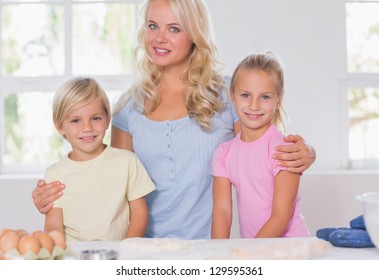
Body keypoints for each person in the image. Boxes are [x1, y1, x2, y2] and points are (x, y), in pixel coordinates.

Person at [32, 0, 316, 239]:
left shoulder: (229, 95)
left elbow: (263, 155)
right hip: (144, 251)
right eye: (153, 26)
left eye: (174, 29)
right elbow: (106, 176)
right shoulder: (127, 107)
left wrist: (307, 152)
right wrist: (56, 196)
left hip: (209, 249)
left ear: (194, 33)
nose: (159, 38)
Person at [211, 52, 310, 239]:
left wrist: (250, 255)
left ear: (278, 101)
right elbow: (222, 212)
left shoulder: (285, 149)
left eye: (264, 97)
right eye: (245, 95)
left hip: (291, 249)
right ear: (233, 96)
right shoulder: (224, 153)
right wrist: (218, 257)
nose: (254, 105)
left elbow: (280, 217)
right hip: (255, 252)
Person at [43, 77, 155, 241]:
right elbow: (53, 225)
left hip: (119, 255)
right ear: (60, 126)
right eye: (76, 120)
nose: (87, 128)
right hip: (74, 258)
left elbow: (140, 213)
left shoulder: (127, 162)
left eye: (95, 118)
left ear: (108, 118)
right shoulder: (55, 173)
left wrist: (129, 250)